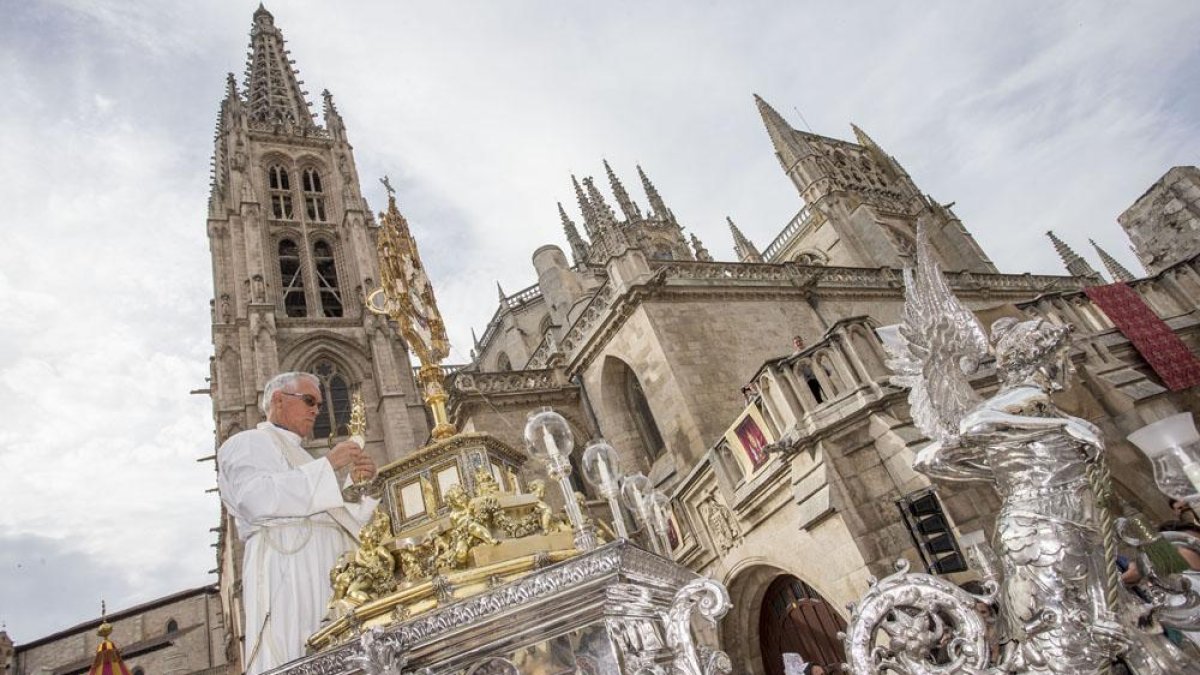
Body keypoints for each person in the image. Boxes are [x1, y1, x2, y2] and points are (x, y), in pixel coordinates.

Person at [218, 372, 380, 674]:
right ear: (278, 400)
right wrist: (328, 464)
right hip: (288, 573)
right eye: (309, 401)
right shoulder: (249, 442)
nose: (317, 410)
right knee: (295, 655)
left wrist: (361, 488)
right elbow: (256, 499)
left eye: (318, 403)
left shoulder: (303, 457)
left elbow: (334, 521)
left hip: (330, 580)